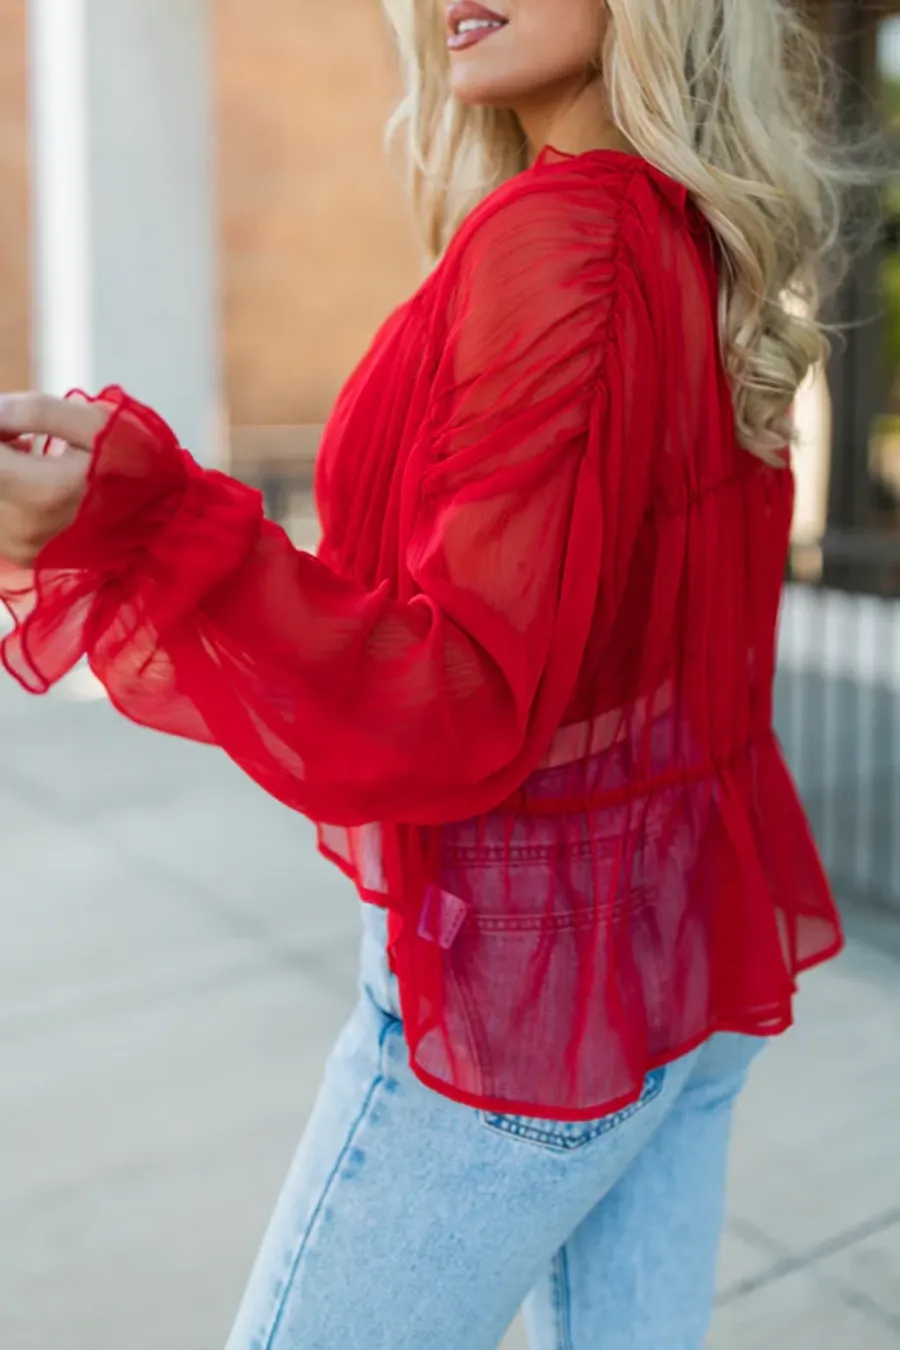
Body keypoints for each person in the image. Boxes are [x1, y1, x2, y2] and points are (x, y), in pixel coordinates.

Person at [0, 1, 858, 1346]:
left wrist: (148, 517)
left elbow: (455, 694)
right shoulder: (694, 239)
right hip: (675, 943)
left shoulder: (563, 238)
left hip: (530, 1005)